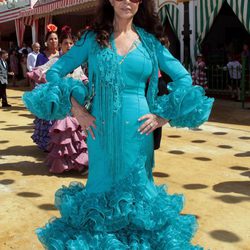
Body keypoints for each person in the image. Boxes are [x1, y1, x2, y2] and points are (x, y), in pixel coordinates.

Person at [23, 0, 214, 248]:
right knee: (101, 187)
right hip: (99, 130)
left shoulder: (149, 41)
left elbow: (184, 78)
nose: (127, 1)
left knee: (138, 191)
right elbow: (53, 73)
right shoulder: (92, 39)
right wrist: (76, 109)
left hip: (139, 130)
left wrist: (163, 116)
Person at [30, 24, 59, 151]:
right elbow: (36, 74)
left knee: (59, 119)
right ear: (46, 42)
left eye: (55, 38)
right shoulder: (41, 57)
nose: (53, 41)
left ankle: (58, 143)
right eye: (50, 39)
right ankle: (46, 144)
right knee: (46, 119)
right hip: (45, 91)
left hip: (59, 92)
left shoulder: (62, 55)